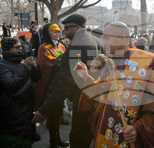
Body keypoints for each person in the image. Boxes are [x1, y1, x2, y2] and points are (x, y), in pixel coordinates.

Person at [74, 22, 154, 147]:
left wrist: (136, 129)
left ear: (122, 39)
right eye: (103, 38)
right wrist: (85, 76)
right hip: (104, 132)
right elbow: (100, 92)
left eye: (106, 38)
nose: (103, 42)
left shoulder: (145, 65)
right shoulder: (111, 62)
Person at [32, 14, 105, 148]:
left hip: (82, 100)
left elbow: (65, 83)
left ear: (76, 28)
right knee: (90, 135)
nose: (63, 31)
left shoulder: (75, 47)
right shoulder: (97, 41)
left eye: (66, 28)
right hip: (96, 98)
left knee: (78, 139)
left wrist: (44, 110)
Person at [0, 37, 40, 148]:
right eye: (17, 47)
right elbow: (11, 84)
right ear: (8, 49)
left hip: (26, 109)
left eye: (21, 46)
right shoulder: (2, 65)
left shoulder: (21, 60)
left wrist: (35, 68)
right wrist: (24, 66)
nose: (21, 49)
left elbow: (35, 79)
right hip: (11, 111)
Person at [34, 23, 67, 148]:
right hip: (48, 88)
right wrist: (65, 60)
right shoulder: (43, 47)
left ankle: (57, 139)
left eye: (59, 31)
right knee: (52, 116)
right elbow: (50, 64)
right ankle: (53, 143)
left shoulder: (61, 46)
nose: (58, 33)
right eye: (54, 31)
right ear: (48, 33)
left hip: (59, 87)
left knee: (58, 115)